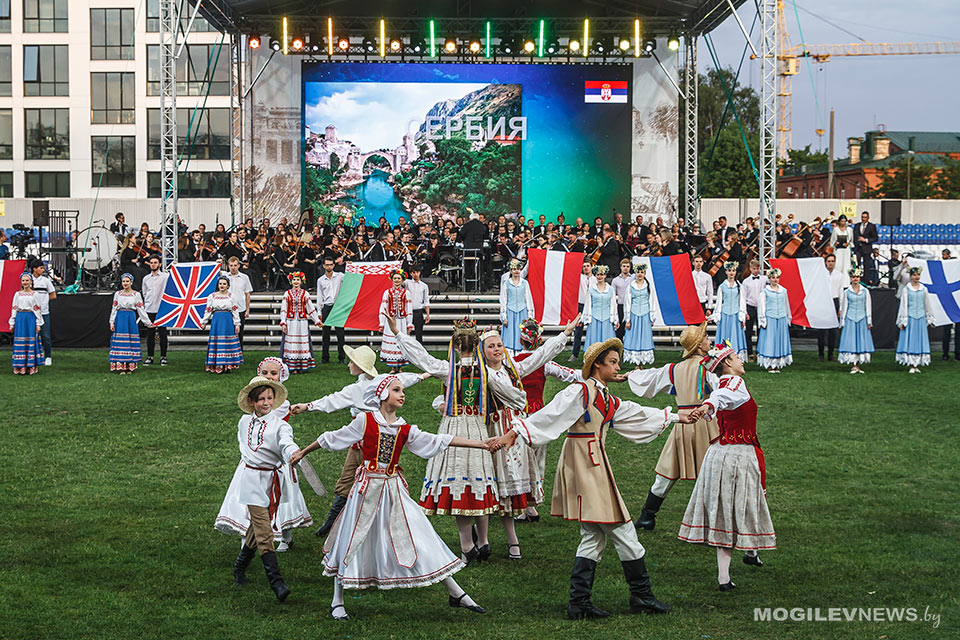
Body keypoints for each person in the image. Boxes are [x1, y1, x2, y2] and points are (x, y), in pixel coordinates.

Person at [490, 338, 695, 619]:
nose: (617, 367)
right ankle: (641, 595)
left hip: (591, 461)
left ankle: (580, 603)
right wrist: (514, 433)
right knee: (623, 529)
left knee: (593, 535)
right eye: (612, 362)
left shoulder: (603, 396)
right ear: (597, 365)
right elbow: (549, 414)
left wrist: (676, 417)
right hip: (586, 463)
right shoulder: (581, 391)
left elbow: (633, 412)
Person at [291, 374, 488, 620]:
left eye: (402, 390)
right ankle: (337, 599)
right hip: (366, 491)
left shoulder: (404, 428)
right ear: (382, 394)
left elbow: (439, 440)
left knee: (419, 534)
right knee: (353, 537)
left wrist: (482, 444)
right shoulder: (365, 421)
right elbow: (332, 437)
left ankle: (455, 592)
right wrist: (303, 452)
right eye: (396, 390)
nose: (402, 394)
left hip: (393, 490)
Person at [290, 345, 428, 538]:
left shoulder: (356, 389)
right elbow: (407, 378)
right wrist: (426, 374)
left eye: (352, 362)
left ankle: (372, 526)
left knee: (367, 482)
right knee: (352, 480)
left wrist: (307, 406)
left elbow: (332, 401)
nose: (349, 365)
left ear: (360, 367)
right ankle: (333, 524)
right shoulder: (385, 381)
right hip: (364, 439)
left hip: (369, 441)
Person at [678, 344, 775, 591]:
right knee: (743, 503)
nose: (741, 360)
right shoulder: (734, 382)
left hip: (719, 453)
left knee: (729, 506)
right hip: (738, 454)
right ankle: (733, 568)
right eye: (736, 357)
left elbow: (719, 390)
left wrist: (708, 404)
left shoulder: (721, 381)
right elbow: (723, 395)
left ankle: (743, 560)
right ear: (728, 363)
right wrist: (708, 405)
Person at [626, 322, 720, 530]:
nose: (709, 340)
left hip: (682, 422)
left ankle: (647, 515)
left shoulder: (674, 369)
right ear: (699, 345)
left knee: (667, 471)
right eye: (706, 338)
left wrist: (630, 375)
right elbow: (723, 390)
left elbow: (649, 379)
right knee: (713, 472)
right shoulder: (709, 367)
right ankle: (714, 521)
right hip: (706, 423)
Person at [215, 359, 313, 553]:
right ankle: (247, 546)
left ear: (281, 376)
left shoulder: (280, 405)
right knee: (249, 503)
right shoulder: (247, 418)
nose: (269, 377)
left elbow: (281, 434)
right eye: (265, 373)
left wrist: (292, 451)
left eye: (273, 374)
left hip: (277, 460)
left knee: (283, 500)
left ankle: (285, 537)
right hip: (253, 463)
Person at [223, 376, 297, 602]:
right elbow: (246, 447)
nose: (266, 403)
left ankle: (240, 566)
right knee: (264, 532)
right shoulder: (244, 422)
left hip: (271, 481)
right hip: (251, 481)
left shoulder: (280, 425)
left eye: (270, 398)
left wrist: (292, 452)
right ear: (252, 402)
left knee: (255, 530)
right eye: (261, 399)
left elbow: (286, 442)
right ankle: (277, 583)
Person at [512, 318, 583, 522]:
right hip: (538, 416)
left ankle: (521, 505)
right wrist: (593, 373)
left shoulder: (512, 362)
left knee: (518, 459)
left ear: (521, 340)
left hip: (517, 416)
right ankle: (531, 505)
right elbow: (570, 375)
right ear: (539, 340)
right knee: (537, 460)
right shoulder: (544, 363)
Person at [108, 273, 152, 374]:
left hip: (130, 318)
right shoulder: (118, 294)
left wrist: (147, 322)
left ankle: (129, 366)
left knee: (130, 341)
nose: (125, 283)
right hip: (120, 318)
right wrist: (112, 322)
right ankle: (121, 366)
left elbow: (141, 309)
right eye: (123, 281)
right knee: (121, 341)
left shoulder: (136, 295)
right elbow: (114, 309)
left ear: (131, 282)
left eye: (127, 281)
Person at [279, 271, 322, 373]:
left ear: (301, 281)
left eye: (298, 280)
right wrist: (283, 322)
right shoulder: (287, 293)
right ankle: (292, 366)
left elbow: (310, 308)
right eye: (294, 280)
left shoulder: (305, 293)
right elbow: (284, 309)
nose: (296, 282)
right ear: (291, 281)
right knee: (291, 343)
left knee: (301, 343)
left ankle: (301, 366)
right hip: (291, 322)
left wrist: (317, 320)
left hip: (302, 322)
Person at [896, 266, 935, 373]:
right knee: (910, 340)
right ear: (910, 276)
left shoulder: (924, 289)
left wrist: (930, 318)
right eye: (914, 275)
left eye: (918, 275)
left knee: (919, 340)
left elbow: (927, 304)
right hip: (911, 318)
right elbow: (903, 305)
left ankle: (917, 364)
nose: (916, 277)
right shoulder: (906, 289)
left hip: (921, 318)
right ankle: (912, 364)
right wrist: (903, 320)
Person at [201, 276, 243, 374]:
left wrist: (237, 324)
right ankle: (217, 365)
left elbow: (235, 310)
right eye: (220, 284)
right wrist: (204, 322)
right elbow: (208, 310)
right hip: (217, 320)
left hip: (228, 320)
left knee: (228, 340)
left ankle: (228, 364)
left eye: (224, 284)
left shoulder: (231, 296)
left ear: (228, 285)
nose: (222, 285)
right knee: (217, 340)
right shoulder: (212, 296)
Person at [837, 268, 874, 373]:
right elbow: (845, 307)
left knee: (861, 340)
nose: (855, 279)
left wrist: (869, 320)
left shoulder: (865, 291)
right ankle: (854, 364)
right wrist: (843, 320)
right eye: (853, 277)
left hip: (862, 318)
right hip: (851, 318)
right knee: (851, 341)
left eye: (857, 277)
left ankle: (858, 364)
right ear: (850, 278)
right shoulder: (847, 292)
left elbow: (868, 306)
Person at [757, 268, 792, 373]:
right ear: (769, 279)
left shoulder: (783, 291)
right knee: (770, 341)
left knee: (779, 340)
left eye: (777, 277)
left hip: (781, 318)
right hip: (770, 318)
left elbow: (786, 304)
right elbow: (762, 306)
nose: (775, 279)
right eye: (773, 278)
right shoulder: (765, 292)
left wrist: (788, 316)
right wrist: (762, 319)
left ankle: (777, 364)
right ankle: (770, 364)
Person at [622, 263, 659, 366]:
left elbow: (652, 301)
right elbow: (627, 302)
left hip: (645, 314)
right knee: (633, 337)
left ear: (644, 273)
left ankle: (642, 362)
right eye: (638, 272)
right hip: (634, 314)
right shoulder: (631, 286)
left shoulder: (648, 286)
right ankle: (635, 363)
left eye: (642, 272)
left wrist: (652, 317)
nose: (640, 274)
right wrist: (628, 319)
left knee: (644, 337)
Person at [711, 262, 748, 361]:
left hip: (736, 315)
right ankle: (723, 357)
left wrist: (742, 315)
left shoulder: (739, 286)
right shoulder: (722, 286)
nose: (731, 272)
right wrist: (717, 314)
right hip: (725, 314)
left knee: (735, 336)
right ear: (726, 272)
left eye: (733, 270)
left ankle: (735, 357)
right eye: (729, 270)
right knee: (724, 335)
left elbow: (742, 301)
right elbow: (719, 302)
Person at [379, 268, 413, 373]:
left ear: (402, 280)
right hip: (391, 321)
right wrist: (382, 322)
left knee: (401, 341)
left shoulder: (406, 293)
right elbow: (383, 307)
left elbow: (408, 308)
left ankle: (400, 367)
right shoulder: (387, 292)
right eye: (395, 278)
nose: (397, 280)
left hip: (402, 321)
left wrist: (409, 323)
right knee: (392, 341)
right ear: (392, 279)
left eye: (399, 278)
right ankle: (393, 367)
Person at [9, 273, 42, 375]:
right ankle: (20, 365)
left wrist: (38, 324)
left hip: (30, 318)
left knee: (31, 340)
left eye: (27, 280)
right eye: (23, 280)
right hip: (20, 319)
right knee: (20, 340)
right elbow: (14, 308)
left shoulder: (35, 294)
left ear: (31, 281)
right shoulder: (17, 294)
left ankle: (31, 365)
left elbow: (37, 309)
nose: (25, 282)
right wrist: (12, 323)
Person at [499, 258, 534, 354]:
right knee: (510, 336)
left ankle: (521, 355)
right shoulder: (507, 283)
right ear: (510, 271)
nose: (516, 271)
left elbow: (528, 299)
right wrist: (504, 316)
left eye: (518, 269)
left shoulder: (524, 283)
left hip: (522, 311)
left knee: (521, 334)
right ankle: (510, 357)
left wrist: (530, 315)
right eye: (514, 269)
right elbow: (503, 300)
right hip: (510, 312)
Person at [582, 265, 618, 351]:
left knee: (607, 344)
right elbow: (588, 304)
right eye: (598, 274)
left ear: (605, 275)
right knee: (595, 343)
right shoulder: (591, 289)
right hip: (595, 319)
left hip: (607, 319)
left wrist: (615, 318)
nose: (599, 276)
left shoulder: (610, 289)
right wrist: (585, 318)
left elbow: (613, 305)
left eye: (601, 274)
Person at [316, 257, 345, 364]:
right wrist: (319, 312)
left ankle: (341, 357)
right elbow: (319, 297)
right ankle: (325, 357)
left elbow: (351, 277)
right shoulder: (320, 280)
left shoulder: (340, 276)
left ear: (334, 265)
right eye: (327, 265)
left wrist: (350, 264)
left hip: (338, 307)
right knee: (325, 334)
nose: (329, 267)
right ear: (324, 266)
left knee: (340, 334)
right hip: (327, 306)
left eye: (331, 264)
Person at [141, 255, 169, 366]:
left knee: (163, 334)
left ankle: (163, 357)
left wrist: (176, 266)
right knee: (150, 334)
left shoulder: (165, 276)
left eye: (155, 262)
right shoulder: (146, 278)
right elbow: (144, 293)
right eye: (151, 262)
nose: (153, 265)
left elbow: (175, 278)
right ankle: (150, 356)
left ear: (160, 264)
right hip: (149, 308)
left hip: (161, 309)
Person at [28, 258, 55, 366]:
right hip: (30, 312)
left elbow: (53, 295)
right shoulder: (28, 280)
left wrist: (43, 302)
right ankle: (32, 356)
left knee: (46, 336)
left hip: (44, 312)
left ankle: (48, 356)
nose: (43, 270)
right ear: (34, 269)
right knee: (31, 335)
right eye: (41, 268)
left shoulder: (46, 281)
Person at [818, 254, 844, 362]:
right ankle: (821, 354)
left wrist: (841, 307)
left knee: (833, 330)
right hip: (823, 301)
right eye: (829, 261)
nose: (831, 263)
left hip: (834, 301)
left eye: (832, 261)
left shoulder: (839, 275)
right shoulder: (821, 274)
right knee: (821, 330)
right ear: (825, 262)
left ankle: (831, 353)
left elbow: (841, 291)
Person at [224, 256, 253, 352]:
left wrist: (247, 309)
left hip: (240, 308)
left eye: (235, 265)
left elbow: (247, 294)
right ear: (228, 266)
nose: (233, 267)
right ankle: (228, 352)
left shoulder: (244, 277)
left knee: (239, 332)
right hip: (227, 308)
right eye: (231, 265)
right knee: (228, 332)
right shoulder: (224, 277)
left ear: (239, 266)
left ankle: (239, 353)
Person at [741, 260, 767, 362]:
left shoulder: (764, 279)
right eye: (754, 269)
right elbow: (744, 297)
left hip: (761, 307)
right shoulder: (746, 281)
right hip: (750, 306)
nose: (756, 270)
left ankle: (760, 352)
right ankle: (750, 353)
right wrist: (745, 311)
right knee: (748, 331)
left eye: (757, 268)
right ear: (750, 269)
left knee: (762, 330)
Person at [569, 260, 596, 362]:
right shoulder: (580, 278)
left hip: (592, 305)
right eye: (584, 266)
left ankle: (593, 352)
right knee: (578, 330)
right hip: (581, 305)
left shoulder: (595, 279)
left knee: (592, 329)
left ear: (592, 267)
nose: (586, 268)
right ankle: (575, 354)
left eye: (588, 266)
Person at [406, 265, 431, 343]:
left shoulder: (424, 286)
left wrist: (427, 314)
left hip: (418, 311)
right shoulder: (407, 283)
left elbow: (426, 300)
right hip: (408, 311)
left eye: (417, 272)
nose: (415, 274)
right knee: (406, 332)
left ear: (420, 273)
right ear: (411, 273)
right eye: (413, 272)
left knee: (419, 333)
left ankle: (419, 348)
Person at [853, 211, 878, 285]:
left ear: (868, 218)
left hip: (866, 248)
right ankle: (856, 278)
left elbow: (875, 238)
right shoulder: (857, 225)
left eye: (865, 217)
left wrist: (866, 240)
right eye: (862, 217)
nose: (863, 219)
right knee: (857, 263)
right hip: (858, 248)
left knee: (866, 266)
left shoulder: (871, 226)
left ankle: (865, 281)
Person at [611, 259, 634, 341]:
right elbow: (612, 295)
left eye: (628, 266)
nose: (625, 268)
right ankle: (619, 346)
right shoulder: (615, 280)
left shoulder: (634, 278)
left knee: (631, 327)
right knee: (619, 328)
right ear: (620, 267)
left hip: (632, 306)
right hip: (620, 305)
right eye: (624, 266)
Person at [829, 215, 853, 287]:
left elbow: (851, 241)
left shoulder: (849, 230)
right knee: (838, 266)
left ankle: (845, 284)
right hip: (838, 250)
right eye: (842, 221)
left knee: (846, 267)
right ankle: (836, 283)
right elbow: (832, 242)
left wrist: (848, 244)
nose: (843, 223)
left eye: (844, 221)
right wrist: (835, 243)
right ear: (839, 221)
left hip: (846, 250)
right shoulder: (836, 230)